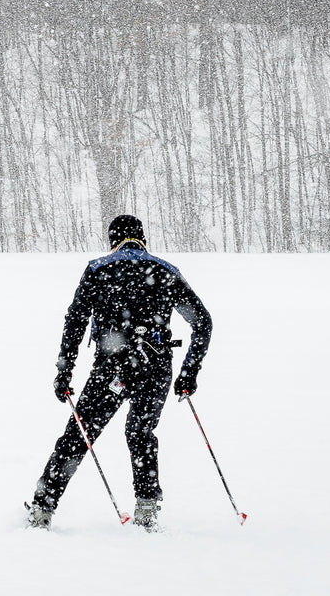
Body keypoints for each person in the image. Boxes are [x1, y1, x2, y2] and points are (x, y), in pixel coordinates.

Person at [25, 215, 212, 532]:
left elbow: (75, 322)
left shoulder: (99, 268)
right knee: (140, 435)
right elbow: (202, 322)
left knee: (77, 438)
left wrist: (64, 371)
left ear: (113, 241)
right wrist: (188, 373)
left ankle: (42, 511)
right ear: (142, 238)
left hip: (112, 369)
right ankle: (147, 511)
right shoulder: (165, 270)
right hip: (156, 366)